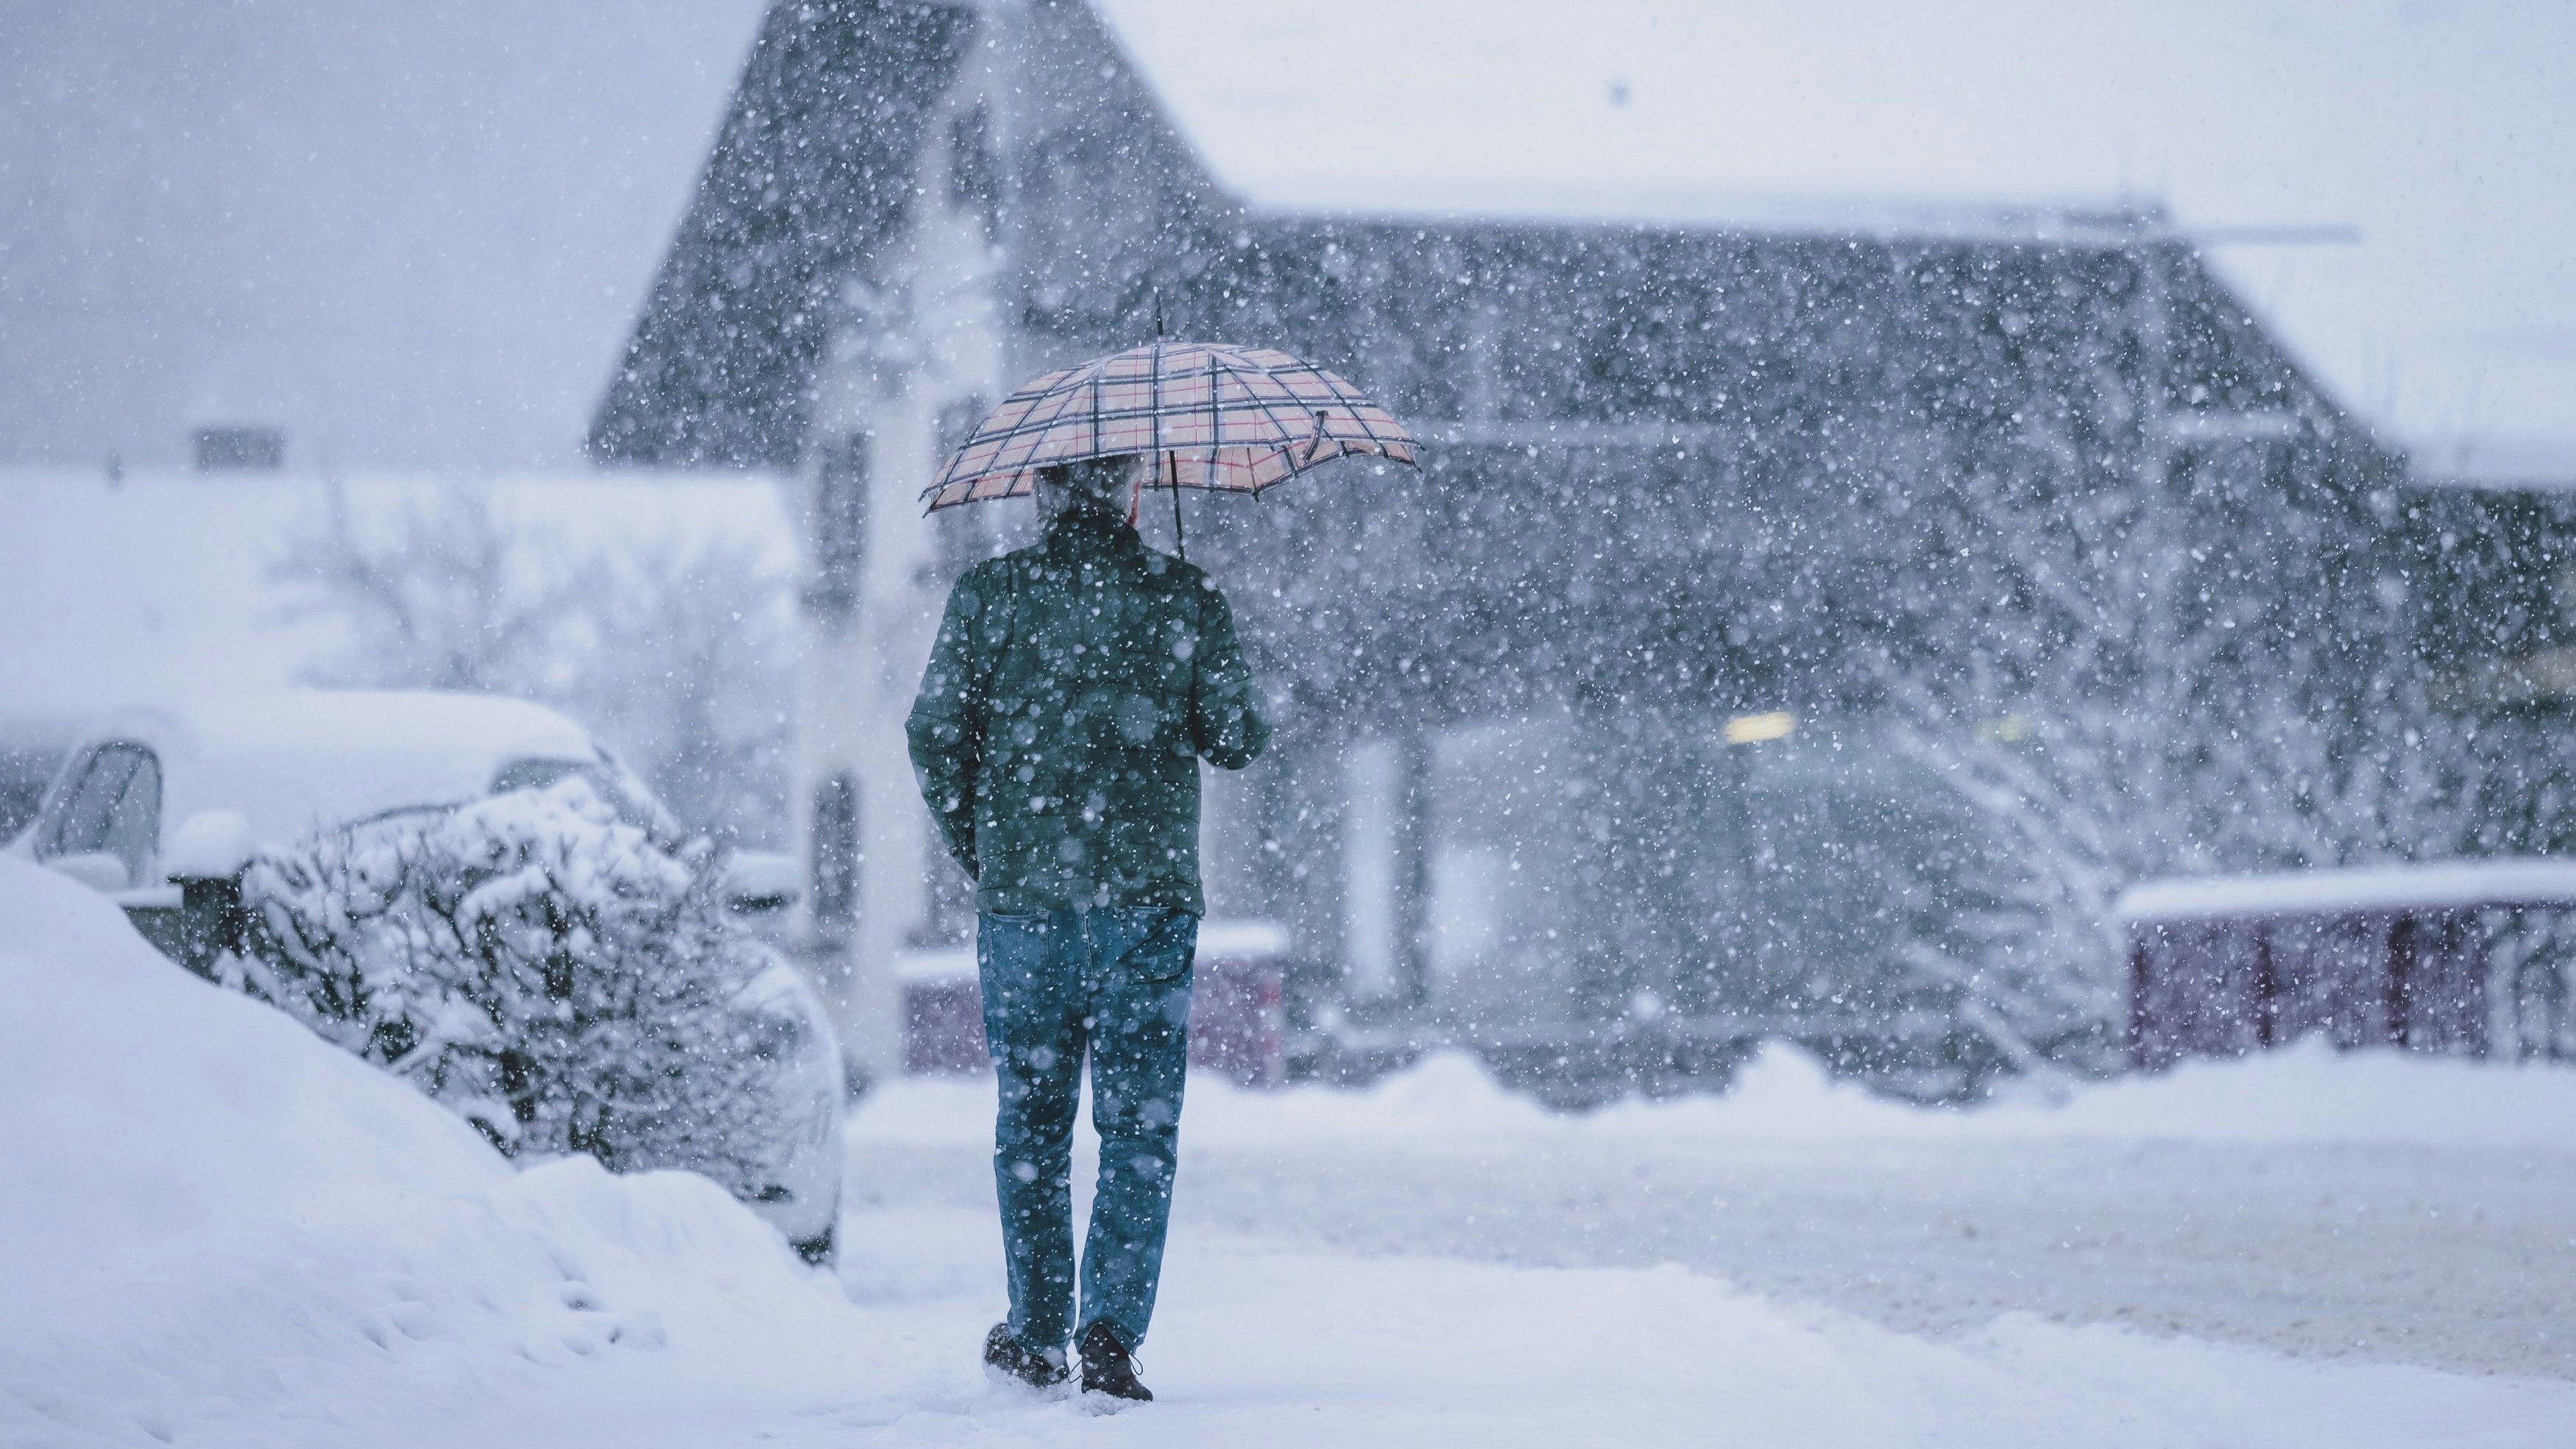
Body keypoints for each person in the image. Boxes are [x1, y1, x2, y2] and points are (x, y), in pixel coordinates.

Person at [906, 452, 1270, 1403]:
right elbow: (1237, 738)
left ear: (1040, 492)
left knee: (1030, 1120)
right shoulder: (1183, 593)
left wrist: (988, 850)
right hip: (1147, 906)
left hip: (1026, 908)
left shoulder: (989, 596)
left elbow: (932, 730)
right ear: (1133, 493)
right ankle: (1109, 1332)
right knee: (1138, 1127)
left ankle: (1034, 1331)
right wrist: (1192, 638)